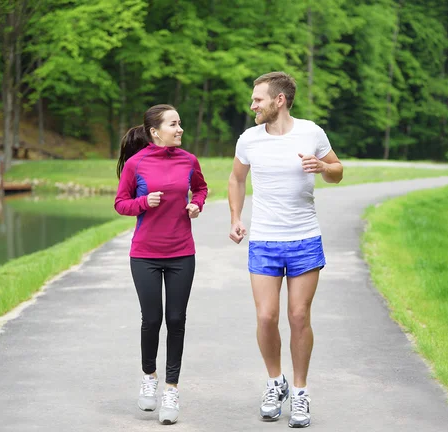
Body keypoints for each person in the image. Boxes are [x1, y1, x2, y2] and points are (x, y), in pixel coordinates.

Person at [228, 72, 343, 428]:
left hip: (304, 239)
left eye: (258, 100)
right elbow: (236, 178)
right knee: (266, 317)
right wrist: (235, 216)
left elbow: (337, 171)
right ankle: (275, 382)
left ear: (279, 100)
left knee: (297, 317)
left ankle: (301, 390)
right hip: (264, 240)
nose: (253, 106)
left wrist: (324, 167)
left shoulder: (312, 133)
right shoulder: (249, 139)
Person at [114, 104, 208, 425]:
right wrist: (144, 202)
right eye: (173, 124)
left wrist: (196, 204)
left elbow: (202, 188)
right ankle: (149, 377)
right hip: (145, 255)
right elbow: (121, 203)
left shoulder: (189, 160)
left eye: (180, 123)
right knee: (151, 319)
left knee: (177, 318)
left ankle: (171, 389)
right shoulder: (136, 164)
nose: (180, 129)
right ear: (155, 132)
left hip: (182, 252)